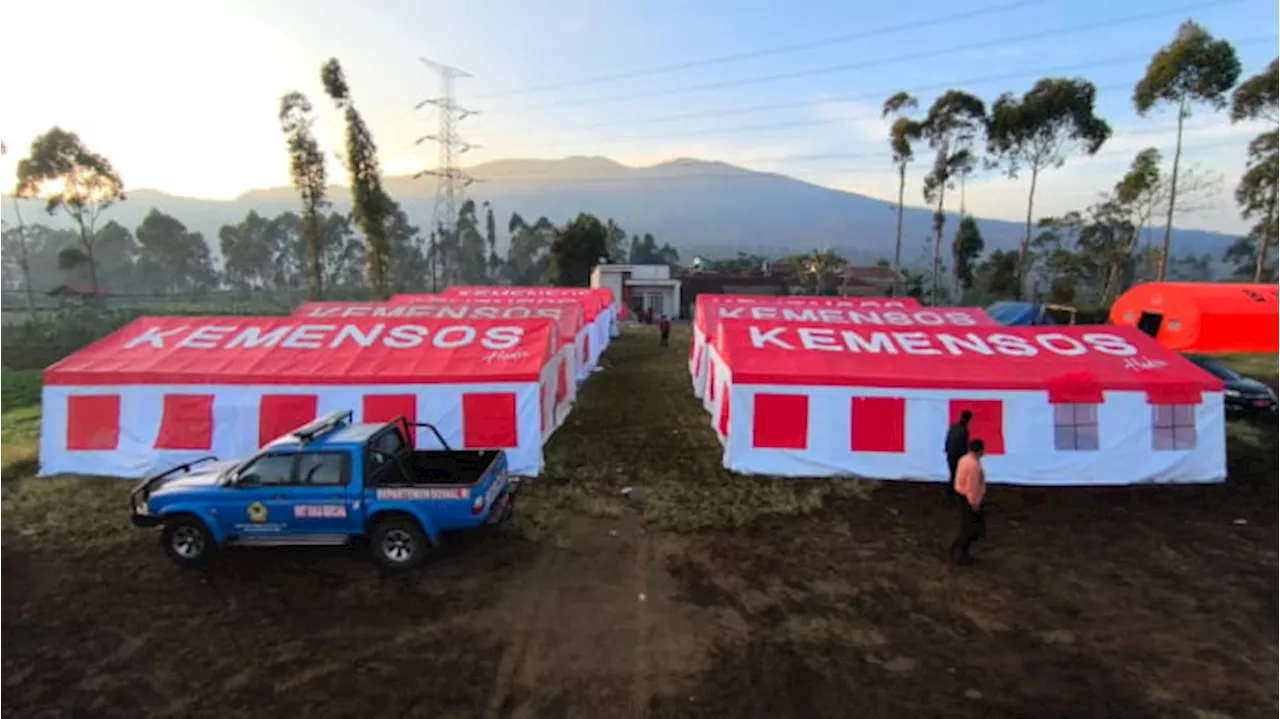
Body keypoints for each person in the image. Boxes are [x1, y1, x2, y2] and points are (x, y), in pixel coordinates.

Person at [949, 439, 987, 566]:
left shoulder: (964, 460)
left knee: (967, 527)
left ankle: (956, 549)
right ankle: (961, 553)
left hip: (961, 495)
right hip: (967, 498)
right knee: (969, 528)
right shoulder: (974, 466)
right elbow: (972, 487)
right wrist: (974, 503)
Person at [943, 411, 972, 504]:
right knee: (957, 475)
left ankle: (951, 492)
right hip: (958, 455)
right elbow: (964, 446)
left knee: (953, 473)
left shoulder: (953, 427)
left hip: (951, 454)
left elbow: (947, 441)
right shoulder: (964, 431)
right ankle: (956, 493)